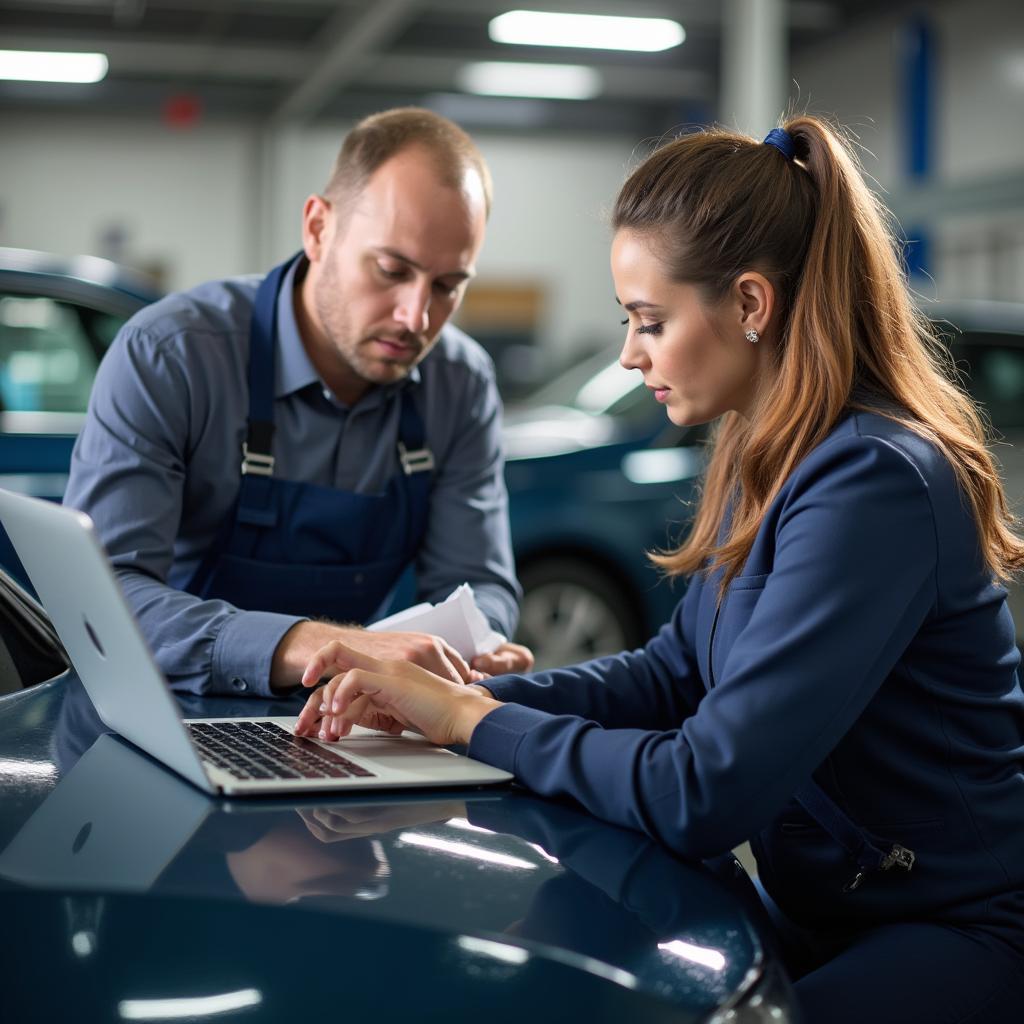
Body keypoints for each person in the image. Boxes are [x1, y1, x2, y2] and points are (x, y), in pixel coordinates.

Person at [294, 115, 1024, 1022]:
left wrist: (473, 722)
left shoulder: (875, 481)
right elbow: (671, 672)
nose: (632, 353)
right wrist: (436, 702)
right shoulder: (769, 452)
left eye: (649, 321)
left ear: (752, 305)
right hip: (827, 909)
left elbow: (704, 790)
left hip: (952, 929)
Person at [63, 107, 533, 697]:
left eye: (447, 287)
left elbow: (477, 582)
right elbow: (103, 602)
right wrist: (314, 645)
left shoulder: (460, 383)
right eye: (391, 269)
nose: (416, 317)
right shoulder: (171, 355)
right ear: (317, 228)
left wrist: (477, 643)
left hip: (352, 719)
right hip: (164, 707)